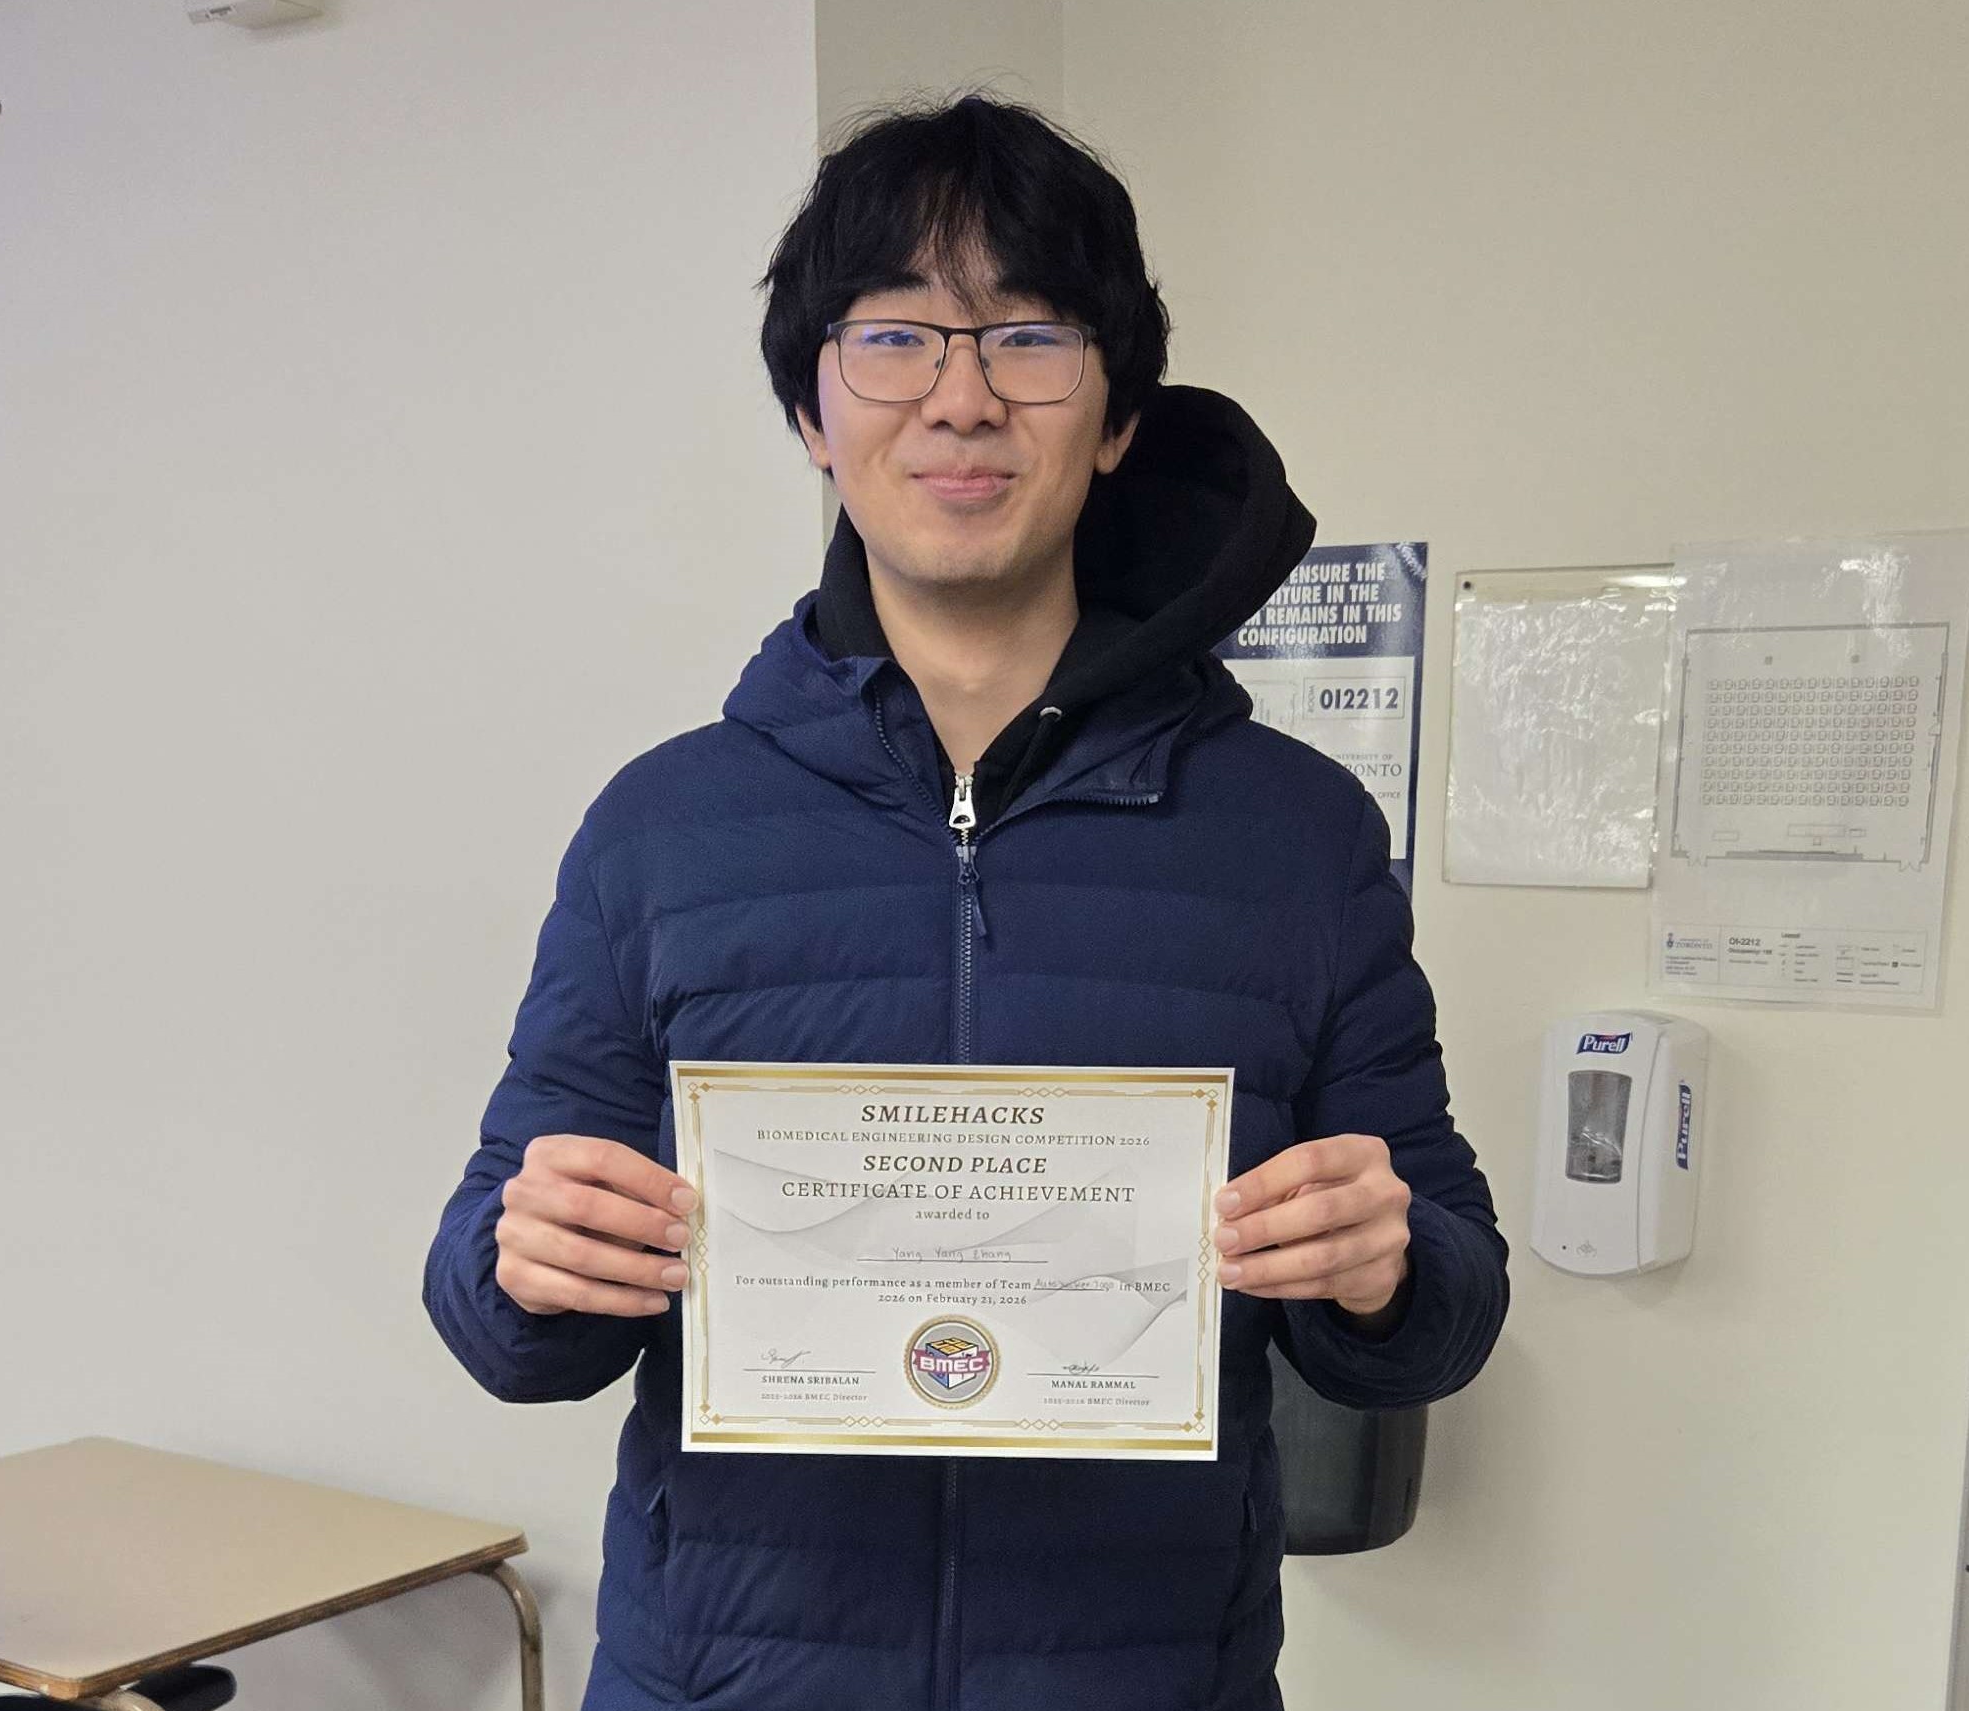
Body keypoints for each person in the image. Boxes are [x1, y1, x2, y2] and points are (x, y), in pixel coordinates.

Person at [424, 91, 1509, 1711]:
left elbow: (1449, 1299)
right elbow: (494, 1311)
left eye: (1028, 338)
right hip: (723, 1684)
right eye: (893, 338)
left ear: (1117, 415)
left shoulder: (1295, 837)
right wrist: (529, 1262)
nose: (961, 397)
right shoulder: (662, 831)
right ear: (812, 410)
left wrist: (1383, 1261)